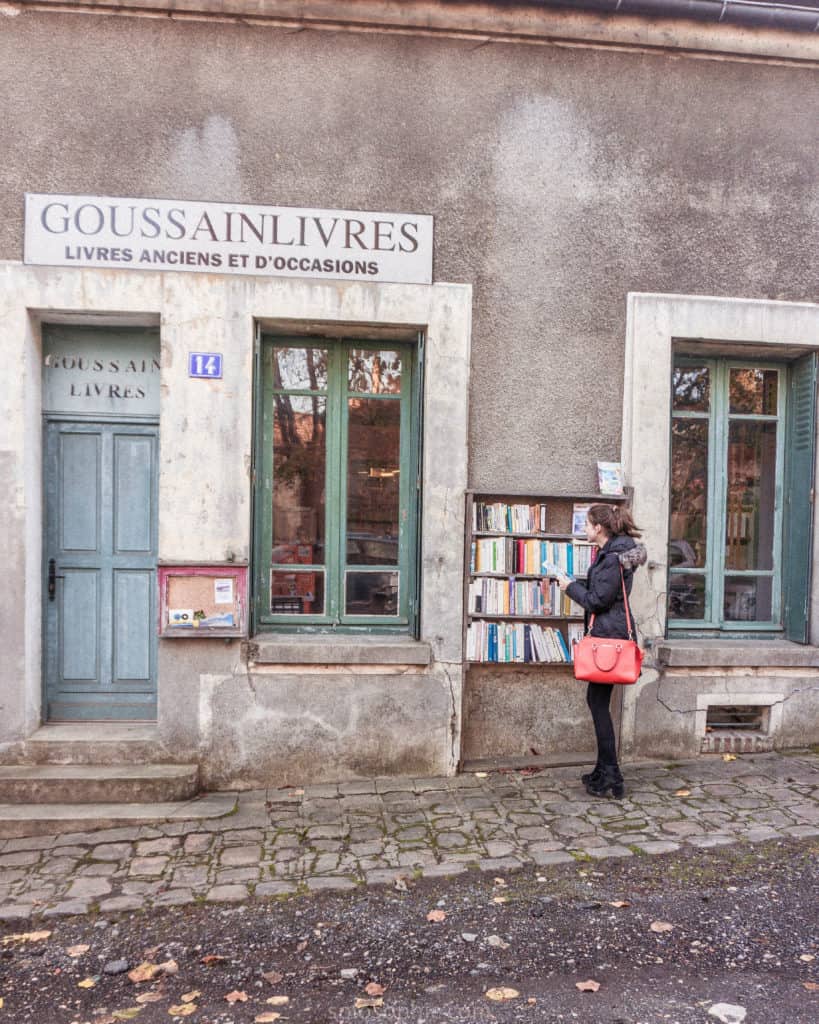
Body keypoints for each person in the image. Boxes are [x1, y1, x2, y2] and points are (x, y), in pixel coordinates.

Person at [556, 504, 646, 799]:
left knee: (597, 703)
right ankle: (603, 768)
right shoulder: (610, 554)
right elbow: (602, 589)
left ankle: (611, 774)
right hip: (608, 635)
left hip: (609, 638)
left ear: (598, 528)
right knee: (597, 702)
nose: (584, 528)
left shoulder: (612, 558)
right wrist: (573, 583)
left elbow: (598, 601)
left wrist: (570, 588)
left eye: (586, 523)